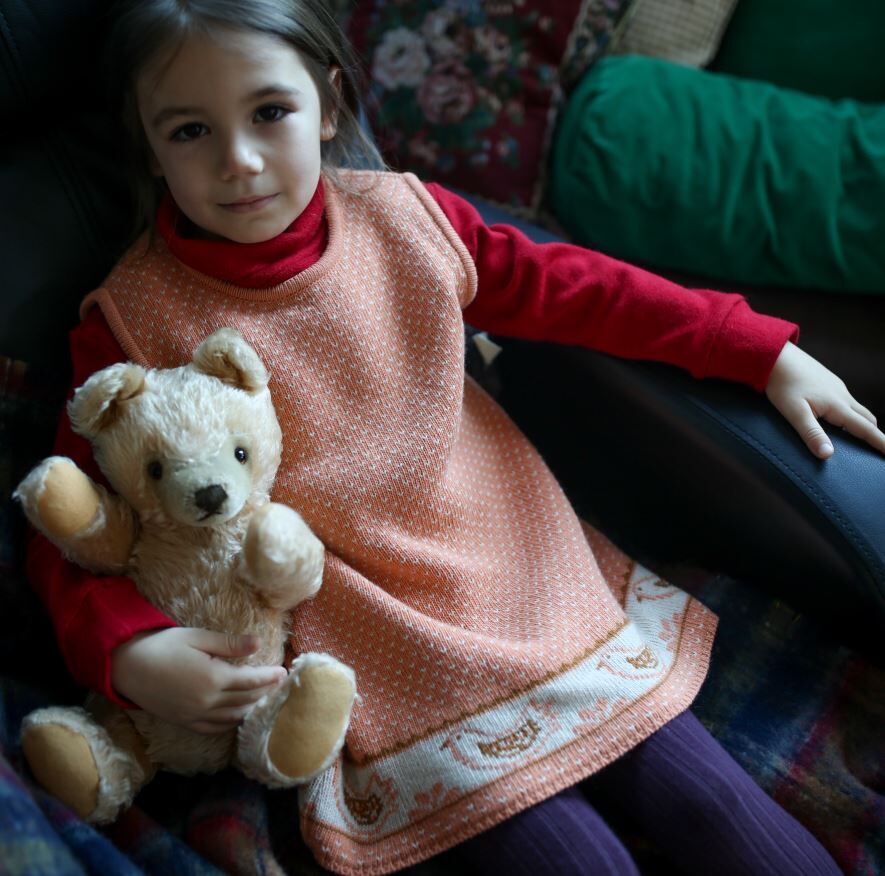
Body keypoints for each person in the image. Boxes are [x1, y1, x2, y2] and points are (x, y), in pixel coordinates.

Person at [25, 0, 884, 873]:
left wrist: (757, 350)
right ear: (148, 144)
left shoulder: (406, 220)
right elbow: (71, 523)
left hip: (520, 575)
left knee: (715, 806)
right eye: (189, 131)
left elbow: (582, 289)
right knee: (580, 864)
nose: (238, 160)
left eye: (270, 111)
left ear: (327, 106)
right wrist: (131, 648)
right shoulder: (128, 326)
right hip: (367, 638)